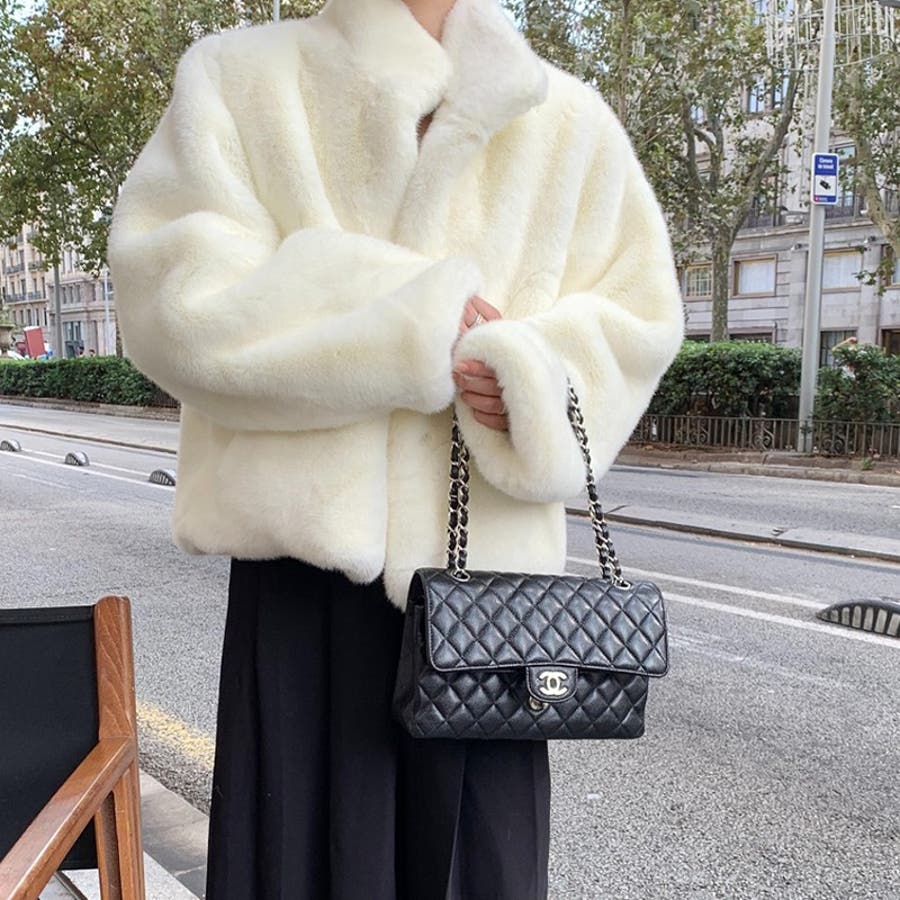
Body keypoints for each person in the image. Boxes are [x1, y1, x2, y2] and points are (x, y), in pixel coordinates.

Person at [106, 0, 684, 897]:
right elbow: (172, 296)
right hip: (305, 592)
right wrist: (408, 317)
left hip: (491, 610)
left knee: (476, 870)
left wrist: (528, 376)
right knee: (298, 864)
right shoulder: (244, 79)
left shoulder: (566, 120)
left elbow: (636, 319)